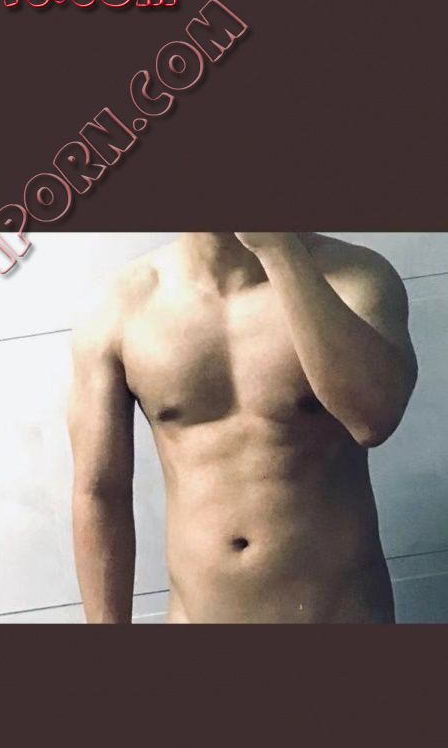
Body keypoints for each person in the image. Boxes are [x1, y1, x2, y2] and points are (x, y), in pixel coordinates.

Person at [69, 233, 418, 623]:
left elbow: (373, 420)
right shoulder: (118, 308)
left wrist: (279, 250)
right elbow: (101, 492)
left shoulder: (355, 277)